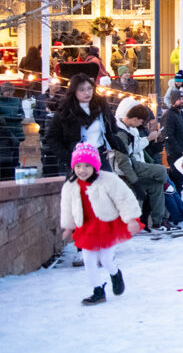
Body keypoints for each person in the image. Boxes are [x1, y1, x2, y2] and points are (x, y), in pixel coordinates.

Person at [60, 143, 142, 305]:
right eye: (78, 166)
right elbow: (67, 206)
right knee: (88, 260)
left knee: (105, 259)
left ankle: (115, 273)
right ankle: (98, 290)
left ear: (95, 166)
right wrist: (68, 226)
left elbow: (123, 197)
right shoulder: (71, 185)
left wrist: (131, 218)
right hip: (86, 228)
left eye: (86, 166)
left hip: (107, 225)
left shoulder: (108, 180)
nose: (81, 170)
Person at [43, 74, 127, 178]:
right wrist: (68, 157)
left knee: (105, 190)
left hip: (99, 156)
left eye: (89, 89)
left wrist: (109, 145)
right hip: (78, 160)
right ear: (74, 91)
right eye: (82, 90)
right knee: (79, 192)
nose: (87, 93)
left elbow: (111, 128)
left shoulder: (101, 106)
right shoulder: (65, 111)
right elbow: (52, 137)